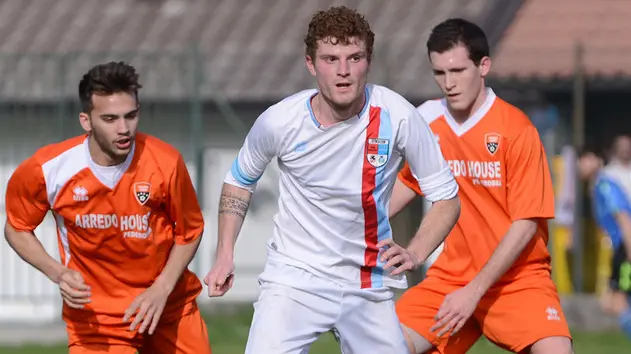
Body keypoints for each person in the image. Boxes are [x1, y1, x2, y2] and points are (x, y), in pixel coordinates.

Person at [203, 6, 461, 354]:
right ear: (311, 64)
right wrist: (224, 254)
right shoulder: (279, 122)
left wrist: (415, 252)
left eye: (354, 57)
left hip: (366, 283)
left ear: (368, 61)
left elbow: (446, 197)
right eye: (330, 58)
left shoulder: (398, 116)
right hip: (294, 279)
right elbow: (239, 181)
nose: (343, 71)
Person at [389, 18, 573, 353]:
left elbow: (526, 223)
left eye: (458, 71)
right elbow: (404, 185)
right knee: (380, 346)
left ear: (483, 65)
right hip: (450, 278)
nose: (449, 83)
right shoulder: (427, 120)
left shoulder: (515, 129)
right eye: (440, 73)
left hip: (519, 280)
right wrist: (351, 224)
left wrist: (474, 292)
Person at [3, 61, 210, 354]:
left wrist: (161, 289)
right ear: (86, 121)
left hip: (169, 306)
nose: (124, 129)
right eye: (110, 119)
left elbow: (189, 232)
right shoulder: (48, 170)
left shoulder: (165, 162)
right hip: (97, 319)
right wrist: (58, 273)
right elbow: (17, 227)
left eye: (131, 116)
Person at [579, 145, 631, 340]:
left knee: (615, 302)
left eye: (583, 159)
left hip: (625, 248)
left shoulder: (605, 185)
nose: (579, 165)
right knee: (611, 302)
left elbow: (624, 218)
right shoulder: (597, 186)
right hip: (621, 248)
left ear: (594, 159)